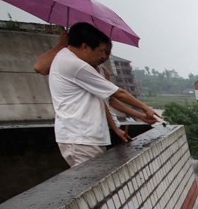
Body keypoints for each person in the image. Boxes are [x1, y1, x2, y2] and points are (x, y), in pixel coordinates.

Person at [45, 22, 157, 167]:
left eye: (107, 53)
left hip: (84, 137)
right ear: (85, 46)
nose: (103, 56)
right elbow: (118, 93)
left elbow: (104, 100)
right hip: (80, 138)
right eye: (101, 51)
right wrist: (145, 107)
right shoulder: (75, 65)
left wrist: (134, 119)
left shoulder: (71, 60)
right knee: (92, 183)